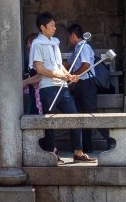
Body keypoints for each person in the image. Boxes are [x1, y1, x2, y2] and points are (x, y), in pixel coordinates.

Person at [31, 12, 96, 164]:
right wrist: (60, 76)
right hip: (48, 87)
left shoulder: (55, 42)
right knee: (50, 122)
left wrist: (69, 75)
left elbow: (59, 65)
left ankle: (78, 152)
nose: (55, 28)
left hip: (62, 86)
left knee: (74, 117)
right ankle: (50, 154)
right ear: (43, 27)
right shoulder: (37, 44)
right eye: (52, 25)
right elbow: (39, 69)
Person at [67, 23, 114, 153]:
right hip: (80, 85)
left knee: (92, 114)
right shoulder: (77, 48)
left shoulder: (84, 47)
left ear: (73, 35)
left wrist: (72, 77)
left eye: (69, 36)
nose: (69, 39)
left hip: (87, 84)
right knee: (81, 116)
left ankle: (111, 139)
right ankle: (86, 146)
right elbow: (69, 63)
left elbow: (86, 66)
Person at [22, 32, 42, 116]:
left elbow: (40, 76)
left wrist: (24, 82)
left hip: (39, 93)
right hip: (33, 93)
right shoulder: (33, 59)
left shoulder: (39, 59)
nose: (28, 47)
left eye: (29, 44)